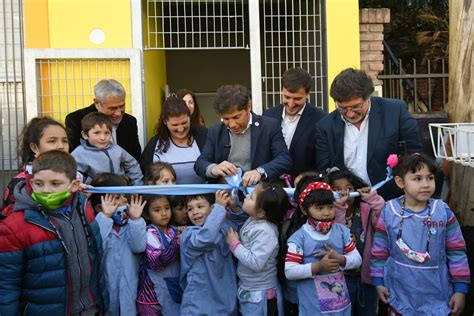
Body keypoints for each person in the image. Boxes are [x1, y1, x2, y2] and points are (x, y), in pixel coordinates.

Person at [0, 150, 107, 315]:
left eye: (55, 184)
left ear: (74, 185)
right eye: (39, 183)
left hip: (89, 310)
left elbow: (98, 262)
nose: (46, 190)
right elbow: (6, 285)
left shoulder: (85, 212)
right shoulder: (14, 227)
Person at [370, 154, 470, 315]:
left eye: (430, 178)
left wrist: (460, 289)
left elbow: (457, 252)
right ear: (400, 182)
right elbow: (379, 251)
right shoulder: (389, 212)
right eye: (417, 179)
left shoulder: (443, 212)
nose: (425, 184)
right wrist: (378, 281)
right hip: (400, 290)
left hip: (437, 291)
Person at [315, 68, 422, 200]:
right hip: (348, 203)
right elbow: (324, 170)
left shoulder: (395, 112)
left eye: (356, 106)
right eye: (342, 108)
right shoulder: (325, 126)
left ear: (369, 96)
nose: (350, 113)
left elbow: (415, 155)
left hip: (392, 199)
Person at [285, 181, 362, 315]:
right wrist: (318, 267)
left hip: (340, 307)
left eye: (330, 207)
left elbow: (357, 259)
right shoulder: (299, 238)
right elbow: (290, 271)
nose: (326, 213)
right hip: (313, 309)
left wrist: (341, 259)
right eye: (319, 208)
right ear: (304, 209)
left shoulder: (342, 232)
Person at [195, 84, 292, 187]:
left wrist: (260, 172)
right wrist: (214, 168)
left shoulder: (269, 126)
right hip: (226, 194)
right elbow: (200, 163)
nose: (232, 124)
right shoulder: (215, 131)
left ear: (248, 107)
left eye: (237, 117)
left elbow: (284, 159)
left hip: (260, 194)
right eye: (226, 119)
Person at [327, 167, 385, 316]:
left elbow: (383, 221)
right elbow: (336, 239)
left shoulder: (365, 208)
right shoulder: (327, 213)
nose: (344, 192)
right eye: (337, 189)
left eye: (348, 188)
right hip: (340, 279)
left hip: (365, 278)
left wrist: (373, 198)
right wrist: (339, 208)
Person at [226, 183, 289, 315]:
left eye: (252, 196)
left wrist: (235, 245)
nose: (247, 195)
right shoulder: (254, 219)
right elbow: (245, 224)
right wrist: (235, 208)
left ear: (261, 212)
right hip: (250, 289)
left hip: (262, 295)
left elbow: (256, 263)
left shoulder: (266, 232)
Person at [89, 173, 147, 316]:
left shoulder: (133, 224)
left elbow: (139, 247)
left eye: (123, 197)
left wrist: (136, 220)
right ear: (99, 207)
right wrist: (105, 217)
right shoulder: (97, 225)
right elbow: (97, 247)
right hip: (106, 294)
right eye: (116, 199)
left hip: (131, 292)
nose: (123, 201)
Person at [179, 192, 238, 315]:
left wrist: (235, 208)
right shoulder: (188, 235)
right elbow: (207, 237)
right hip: (198, 305)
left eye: (200, 207)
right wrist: (220, 208)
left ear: (212, 209)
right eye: (190, 209)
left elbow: (239, 226)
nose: (194, 212)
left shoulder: (223, 228)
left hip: (225, 302)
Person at [263, 68, 326, 182]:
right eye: (287, 97)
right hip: (271, 188)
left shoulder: (321, 120)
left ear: (308, 94)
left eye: (297, 99)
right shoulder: (268, 116)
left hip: (304, 188)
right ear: (282, 90)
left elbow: (323, 164)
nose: (291, 104)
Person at [2, 117, 70, 219]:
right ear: (34, 148)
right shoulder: (20, 184)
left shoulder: (72, 176)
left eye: (65, 141)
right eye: (52, 141)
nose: (61, 146)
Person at [65, 79, 141, 161]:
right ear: (97, 103)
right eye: (113, 108)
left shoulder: (130, 121)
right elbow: (75, 158)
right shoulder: (76, 120)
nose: (118, 113)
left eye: (122, 106)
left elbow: (135, 157)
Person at [140, 96, 208, 184]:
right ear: (165, 122)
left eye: (184, 123)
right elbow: (145, 176)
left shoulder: (204, 136)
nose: (180, 129)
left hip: (202, 197)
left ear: (189, 117)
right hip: (164, 197)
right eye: (175, 125)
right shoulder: (154, 144)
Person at [137, 195, 181, 315]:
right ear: (147, 214)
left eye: (167, 208)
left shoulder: (174, 231)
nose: (164, 213)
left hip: (171, 291)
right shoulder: (149, 232)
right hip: (150, 299)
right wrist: (176, 243)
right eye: (157, 210)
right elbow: (156, 262)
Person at [71, 112, 144, 185]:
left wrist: (137, 184)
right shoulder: (79, 153)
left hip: (121, 190)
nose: (103, 138)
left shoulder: (116, 148)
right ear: (85, 135)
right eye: (97, 133)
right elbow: (73, 174)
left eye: (107, 133)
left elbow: (132, 164)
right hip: (96, 193)